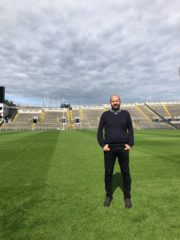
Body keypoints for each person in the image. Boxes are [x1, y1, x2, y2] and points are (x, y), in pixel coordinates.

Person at [97, 95, 134, 208]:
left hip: (123, 147)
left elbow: (131, 130)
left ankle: (127, 197)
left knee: (125, 172)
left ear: (120, 102)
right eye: (113, 101)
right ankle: (108, 195)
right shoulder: (105, 115)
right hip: (109, 149)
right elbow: (99, 131)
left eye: (117, 101)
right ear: (110, 103)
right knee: (108, 172)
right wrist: (103, 145)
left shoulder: (126, 114)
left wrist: (130, 144)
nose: (115, 102)